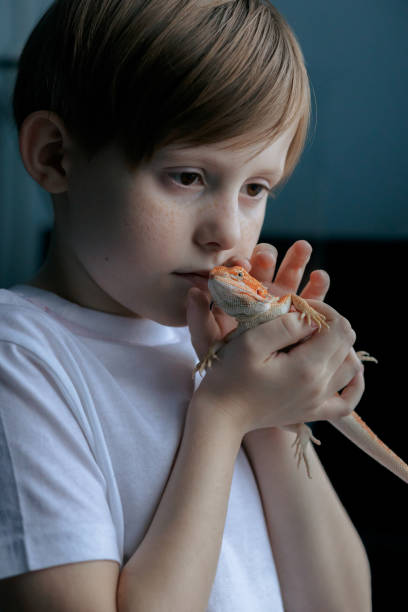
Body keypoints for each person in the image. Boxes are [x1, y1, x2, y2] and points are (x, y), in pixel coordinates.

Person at [0, 1, 371, 610]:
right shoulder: (21, 359)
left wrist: (276, 412)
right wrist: (222, 414)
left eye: (255, 188)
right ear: (55, 156)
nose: (227, 231)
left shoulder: (207, 349)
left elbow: (341, 602)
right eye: (189, 176)